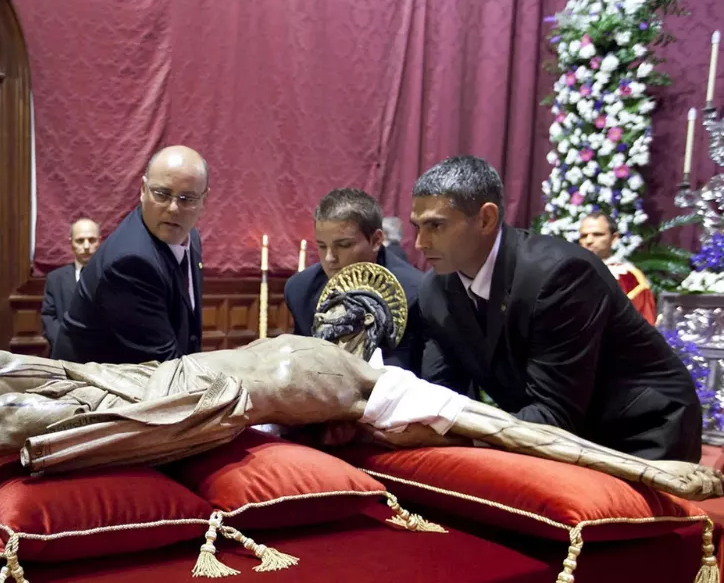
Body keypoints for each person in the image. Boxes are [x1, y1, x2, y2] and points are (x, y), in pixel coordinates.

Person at [0, 265, 723, 575]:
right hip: (189, 380)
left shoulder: (390, 396)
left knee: (17, 401)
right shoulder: (356, 378)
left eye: (362, 317)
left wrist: (664, 477)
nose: (354, 325)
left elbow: (518, 436)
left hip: (205, 397)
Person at [411, 155, 701, 461]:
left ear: (486, 219)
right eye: (417, 226)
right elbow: (443, 395)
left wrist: (461, 440)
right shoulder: (435, 291)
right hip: (553, 433)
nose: (420, 242)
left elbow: (556, 414)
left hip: (640, 433)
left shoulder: (560, 274)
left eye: (435, 225)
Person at [52, 146, 207, 364]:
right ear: (143, 190)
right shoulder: (131, 262)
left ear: (203, 200)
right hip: (92, 388)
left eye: (187, 198)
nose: (173, 208)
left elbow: (189, 334)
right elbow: (164, 367)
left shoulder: (191, 238)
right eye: (162, 194)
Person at [285, 189, 424, 373]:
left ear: (376, 240)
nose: (329, 258)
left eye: (343, 245)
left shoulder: (415, 293)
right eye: (321, 246)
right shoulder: (300, 291)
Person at [579, 213, 657, 324]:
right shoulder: (567, 274)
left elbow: (643, 327)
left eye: (597, 234)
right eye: (584, 236)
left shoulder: (629, 278)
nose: (589, 241)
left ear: (614, 238)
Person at [41, 218, 101, 354]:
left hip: (101, 357)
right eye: (80, 240)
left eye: (92, 240)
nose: (86, 246)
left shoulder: (111, 276)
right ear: (71, 243)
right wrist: (64, 345)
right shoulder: (55, 279)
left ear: (100, 241)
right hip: (63, 355)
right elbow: (49, 317)